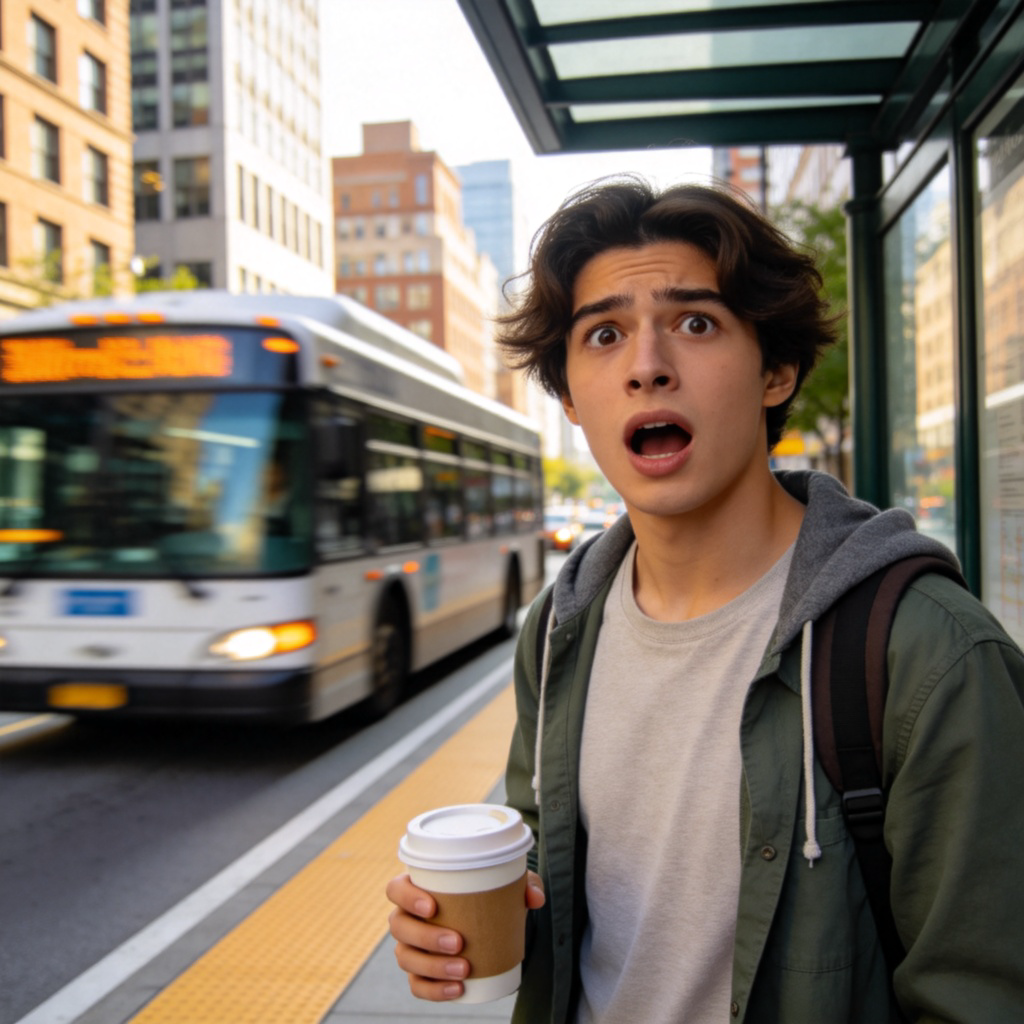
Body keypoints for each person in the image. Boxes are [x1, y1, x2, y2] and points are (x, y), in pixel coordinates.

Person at [386, 178, 1024, 1022]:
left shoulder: (927, 653)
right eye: (604, 334)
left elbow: (983, 992)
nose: (647, 366)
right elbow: (556, 885)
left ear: (776, 371)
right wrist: (455, 926)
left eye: (695, 323)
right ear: (572, 398)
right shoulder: (558, 630)